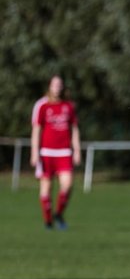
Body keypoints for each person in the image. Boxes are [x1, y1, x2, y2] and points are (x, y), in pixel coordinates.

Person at [30, 75, 81, 230]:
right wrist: (34, 152)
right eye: (54, 84)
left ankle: (58, 213)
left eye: (60, 85)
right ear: (49, 86)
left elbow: (74, 129)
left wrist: (77, 150)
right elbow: (36, 129)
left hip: (64, 151)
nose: (57, 87)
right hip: (46, 152)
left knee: (67, 184)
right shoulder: (42, 105)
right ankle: (48, 221)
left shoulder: (68, 106)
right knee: (46, 188)